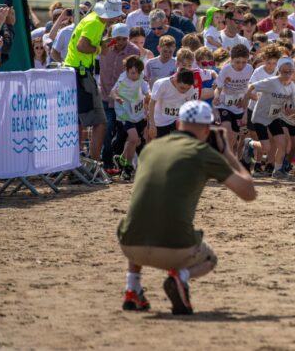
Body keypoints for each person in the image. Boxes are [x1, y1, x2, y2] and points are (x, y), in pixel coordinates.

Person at [117, 100, 255, 315]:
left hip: (130, 245)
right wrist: (227, 152)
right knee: (210, 259)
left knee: (143, 214)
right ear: (208, 129)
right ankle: (179, 277)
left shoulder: (151, 149)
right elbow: (248, 193)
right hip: (175, 248)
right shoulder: (203, 152)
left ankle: (132, 287)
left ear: (178, 123)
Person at [64, 0, 125, 167]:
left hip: (76, 72)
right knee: (100, 122)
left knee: (79, 121)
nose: (118, 19)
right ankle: (92, 165)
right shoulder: (96, 23)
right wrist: (99, 48)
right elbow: (82, 46)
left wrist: (101, 44)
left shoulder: (92, 20)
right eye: (117, 15)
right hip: (81, 74)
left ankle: (78, 164)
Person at [99, 23, 142, 170]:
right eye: (118, 39)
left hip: (124, 101)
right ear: (112, 37)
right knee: (106, 127)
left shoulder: (134, 51)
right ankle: (107, 162)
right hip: (105, 95)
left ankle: (118, 161)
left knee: (121, 133)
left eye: (124, 39)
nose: (121, 42)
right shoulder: (105, 47)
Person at [110, 55, 150, 181]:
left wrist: (148, 95)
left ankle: (122, 160)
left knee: (135, 141)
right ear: (126, 70)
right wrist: (117, 98)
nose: (135, 76)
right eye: (132, 73)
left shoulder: (140, 77)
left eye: (138, 73)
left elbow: (145, 89)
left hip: (137, 113)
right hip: (124, 113)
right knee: (133, 138)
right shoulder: (122, 79)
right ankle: (127, 167)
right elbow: (112, 92)